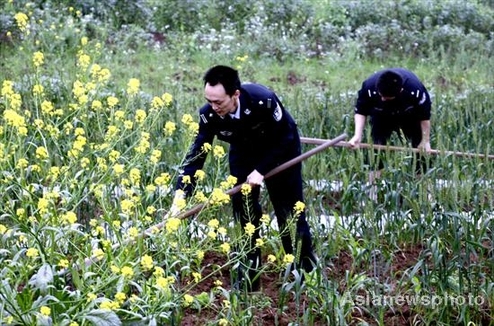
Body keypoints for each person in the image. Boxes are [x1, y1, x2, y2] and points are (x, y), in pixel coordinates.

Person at [171, 65, 316, 292]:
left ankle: (305, 276)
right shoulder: (208, 114)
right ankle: (248, 282)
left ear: (235, 94)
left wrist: (261, 170)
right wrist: (180, 196)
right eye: (209, 101)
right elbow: (196, 156)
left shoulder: (263, 100)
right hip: (243, 152)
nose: (213, 107)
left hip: (280, 152)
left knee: (289, 214)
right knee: (245, 218)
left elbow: (287, 137)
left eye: (218, 102)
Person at [348, 68, 432, 197]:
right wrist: (357, 135)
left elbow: (424, 118)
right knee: (375, 151)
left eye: (386, 97)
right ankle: (372, 196)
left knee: (421, 155)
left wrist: (425, 141)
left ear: (400, 91)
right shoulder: (369, 86)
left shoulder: (415, 90)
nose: (382, 98)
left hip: (409, 116)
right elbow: (361, 111)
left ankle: (425, 195)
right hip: (381, 116)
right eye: (381, 95)